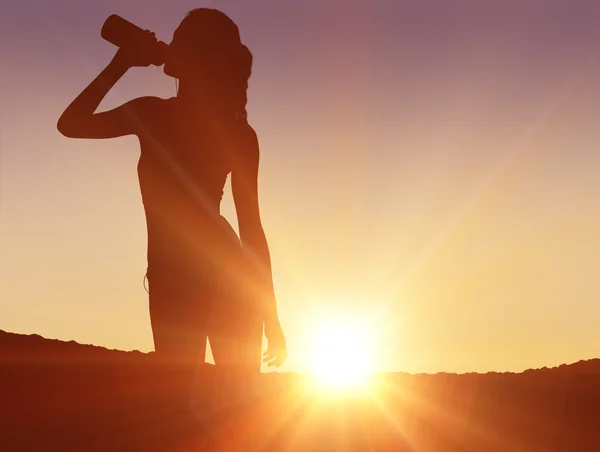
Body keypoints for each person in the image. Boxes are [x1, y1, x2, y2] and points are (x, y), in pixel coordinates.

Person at [57, 8, 287, 383]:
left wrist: (272, 318)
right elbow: (70, 125)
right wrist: (123, 60)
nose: (168, 42)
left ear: (199, 55)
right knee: (196, 404)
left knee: (226, 407)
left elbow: (252, 232)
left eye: (179, 38)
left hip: (197, 280)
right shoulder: (158, 114)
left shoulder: (157, 115)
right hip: (177, 280)